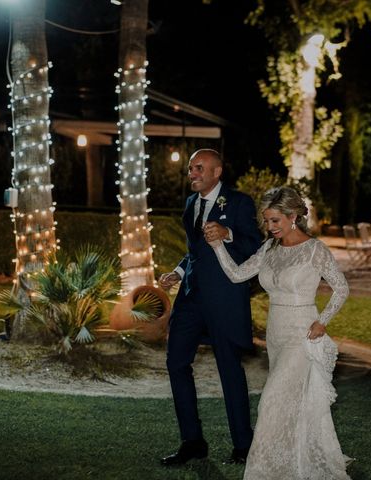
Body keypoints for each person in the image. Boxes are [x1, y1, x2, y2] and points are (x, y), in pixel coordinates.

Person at [205, 186, 352, 479]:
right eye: (266, 221)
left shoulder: (315, 249)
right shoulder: (269, 249)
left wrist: (323, 321)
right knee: (287, 403)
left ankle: (261, 471)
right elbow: (236, 275)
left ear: (293, 216)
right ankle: (291, 462)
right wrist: (218, 246)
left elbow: (341, 288)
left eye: (275, 221)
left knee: (271, 399)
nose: (269, 227)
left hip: (302, 333)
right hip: (276, 332)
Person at [158, 149, 263, 466]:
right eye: (190, 168)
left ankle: (244, 446)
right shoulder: (191, 204)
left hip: (225, 300)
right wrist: (176, 273)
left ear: (217, 172)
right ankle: (192, 442)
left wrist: (228, 233)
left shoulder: (240, 203)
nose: (192, 173)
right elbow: (194, 251)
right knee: (176, 363)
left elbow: (256, 248)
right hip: (190, 300)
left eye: (198, 168)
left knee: (229, 370)